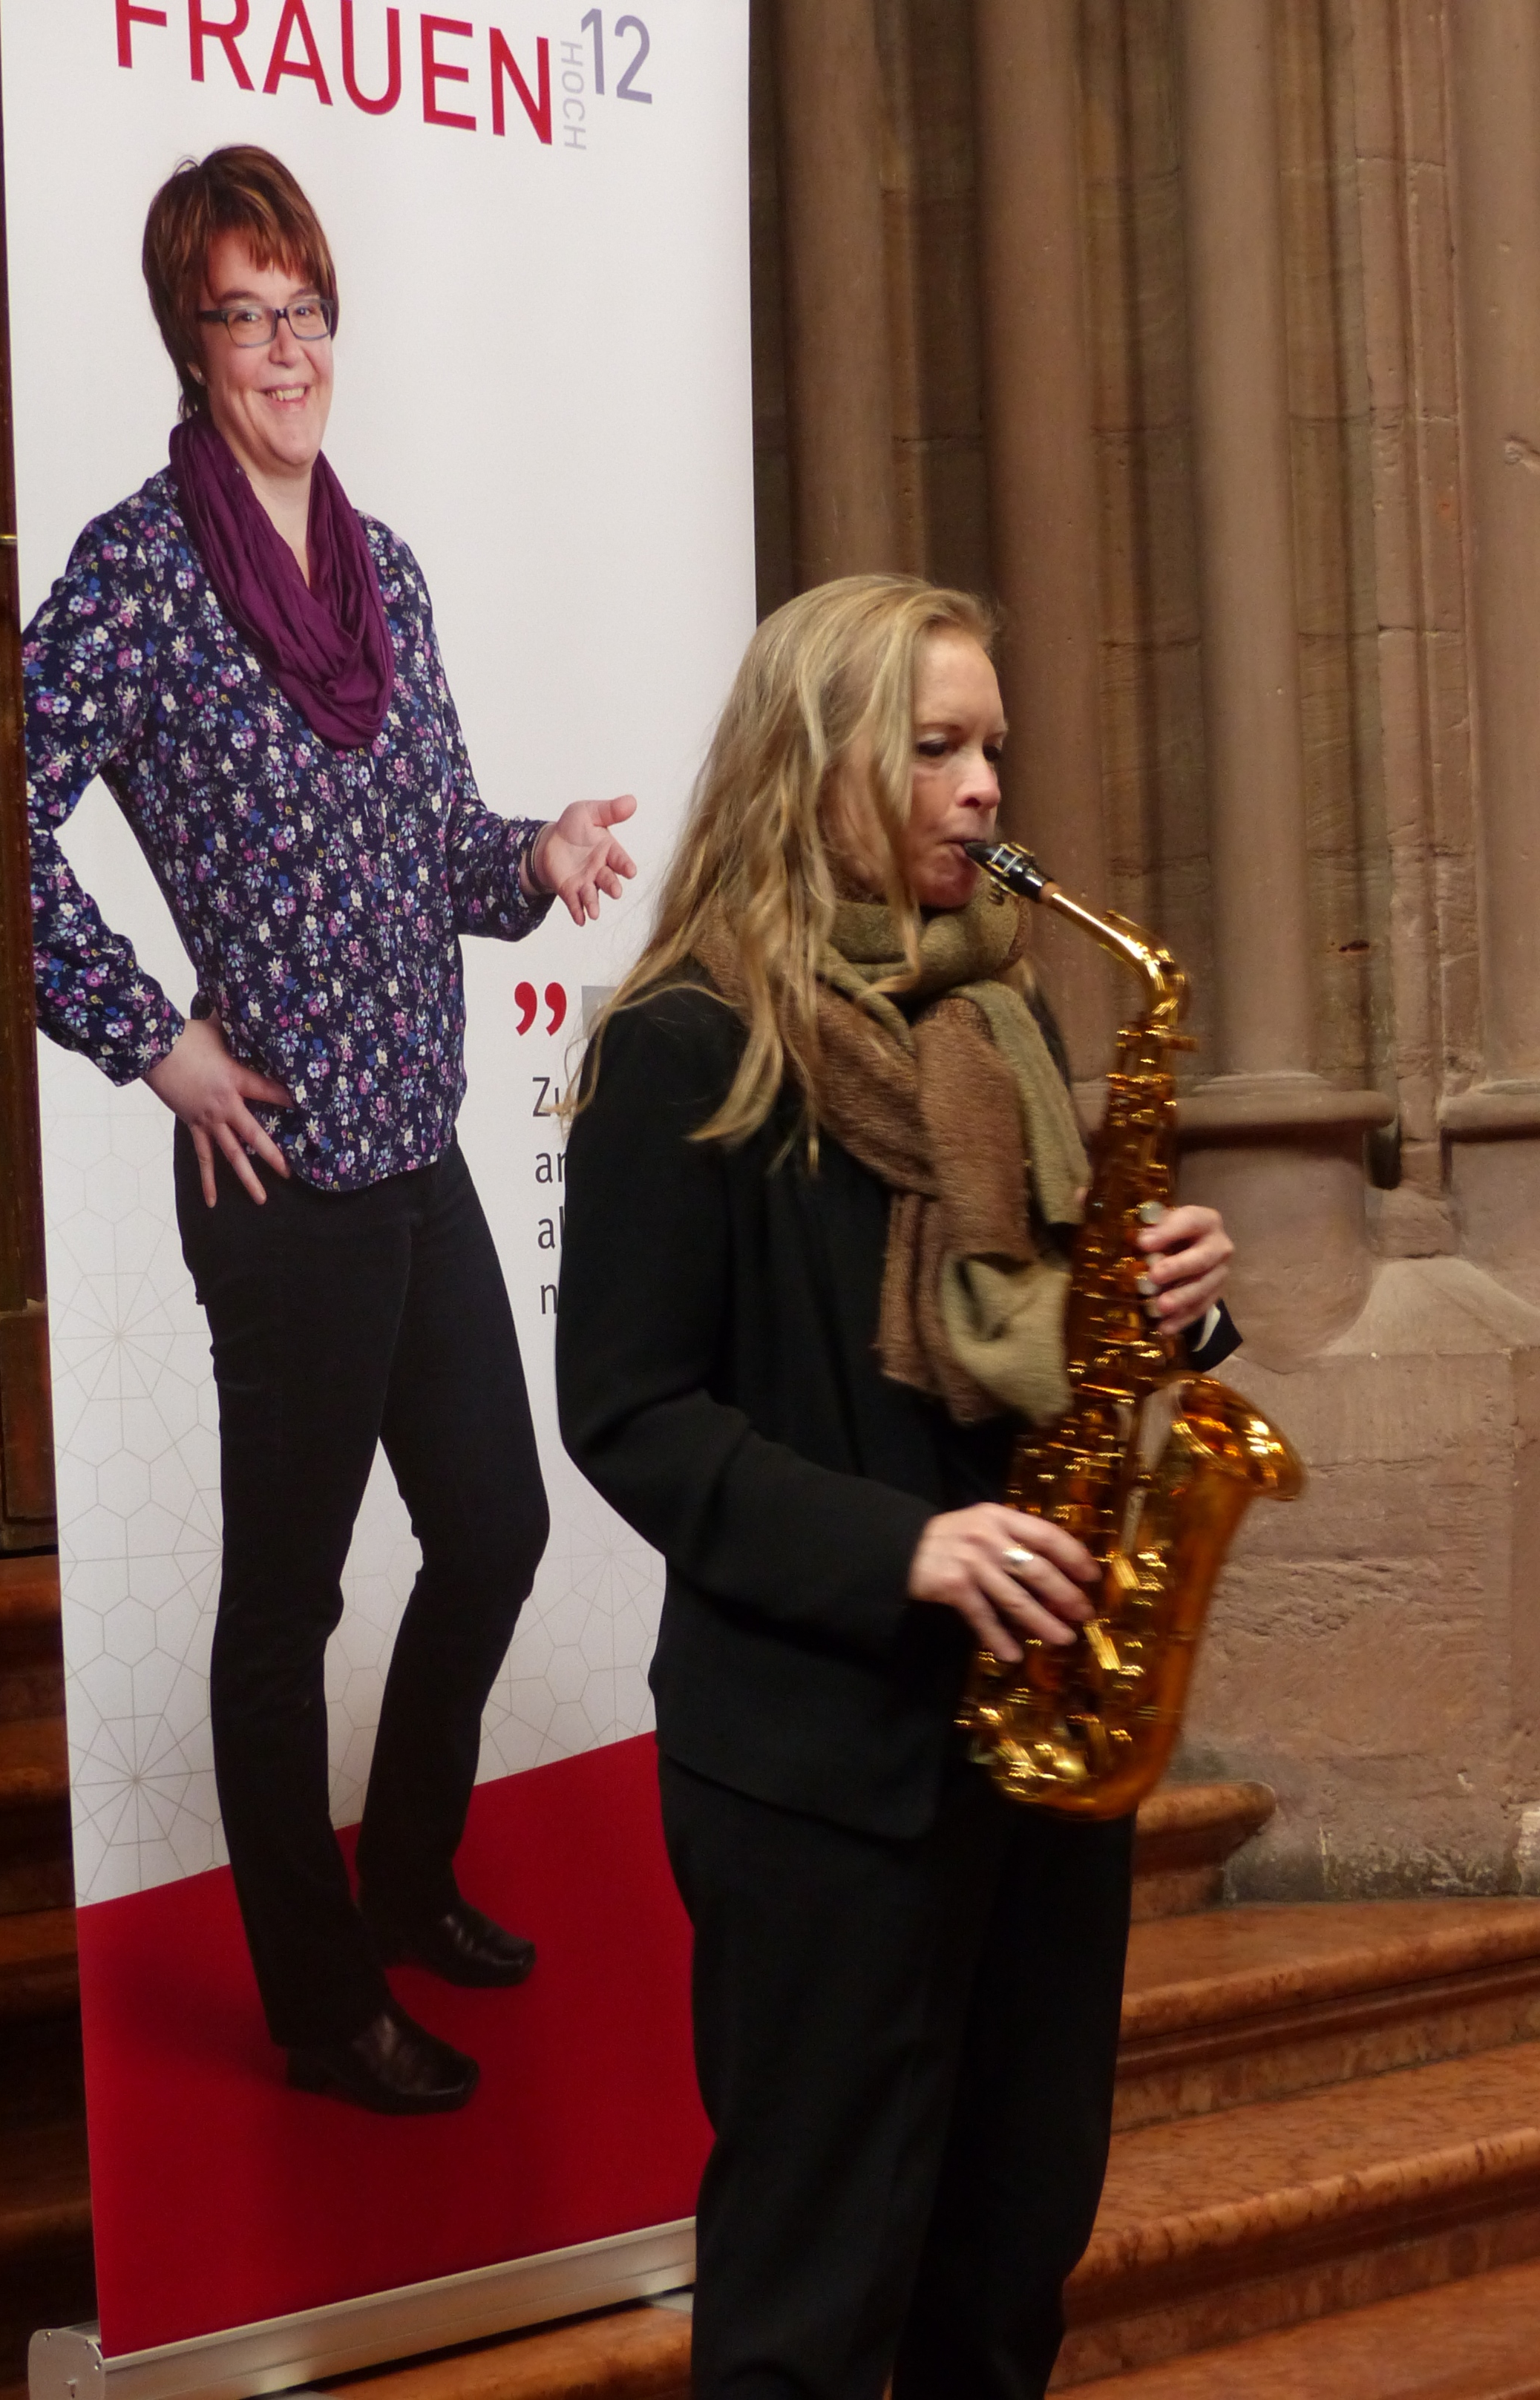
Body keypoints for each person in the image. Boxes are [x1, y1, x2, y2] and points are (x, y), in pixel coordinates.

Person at [556, 574, 1236, 2397]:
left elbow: (1034, 1342)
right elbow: (630, 1413)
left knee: (1009, 2260)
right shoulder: (681, 1048)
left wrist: (1167, 1309)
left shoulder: (1000, 1029)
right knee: (812, 2289)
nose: (986, 786)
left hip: (1036, 1735)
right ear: (818, 762)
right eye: (937, 747)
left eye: (992, 746)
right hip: (817, 1760)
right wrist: (905, 1548)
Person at [23, 146, 637, 2117]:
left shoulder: (389, 576)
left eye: (303, 309)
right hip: (280, 1180)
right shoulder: (137, 576)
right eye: (243, 314)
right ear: (188, 341)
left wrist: (533, 854)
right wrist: (151, 1040)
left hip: (415, 1151)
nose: (285, 349)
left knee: (498, 1525)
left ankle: (411, 1877)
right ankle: (319, 2007)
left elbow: (438, 848)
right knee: (285, 1609)